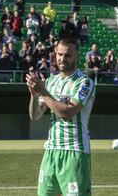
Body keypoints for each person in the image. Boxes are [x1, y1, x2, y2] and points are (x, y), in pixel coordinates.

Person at [26, 38, 95, 196]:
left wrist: (43, 91)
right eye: (59, 54)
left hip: (74, 151)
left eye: (68, 55)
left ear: (77, 56)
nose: (62, 59)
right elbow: (35, 115)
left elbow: (67, 113)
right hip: (51, 151)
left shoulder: (84, 82)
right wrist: (34, 95)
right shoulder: (50, 81)